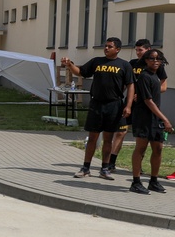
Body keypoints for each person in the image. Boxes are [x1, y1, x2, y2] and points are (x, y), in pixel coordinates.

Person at [62, 37, 134, 179]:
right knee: (93, 137)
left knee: (108, 139)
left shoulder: (124, 65)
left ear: (117, 49)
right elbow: (81, 72)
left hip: (114, 105)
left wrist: (128, 105)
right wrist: (70, 65)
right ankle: (85, 168)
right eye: (105, 46)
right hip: (97, 104)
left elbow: (131, 85)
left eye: (110, 46)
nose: (106, 48)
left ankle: (105, 169)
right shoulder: (97, 61)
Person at [108, 38, 168, 172]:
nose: (137, 53)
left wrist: (145, 93)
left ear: (148, 50)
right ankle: (111, 163)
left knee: (142, 138)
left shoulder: (156, 65)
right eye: (136, 50)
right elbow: (126, 83)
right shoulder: (132, 64)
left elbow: (163, 86)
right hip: (129, 103)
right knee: (121, 131)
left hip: (145, 107)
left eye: (140, 50)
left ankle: (138, 168)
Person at [128, 49, 172, 194]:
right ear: (146, 60)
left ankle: (153, 181)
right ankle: (136, 182)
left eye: (158, 59)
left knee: (158, 148)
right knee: (141, 148)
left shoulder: (155, 76)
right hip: (143, 117)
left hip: (155, 118)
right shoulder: (144, 76)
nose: (155, 61)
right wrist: (165, 119)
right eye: (152, 59)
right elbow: (148, 101)